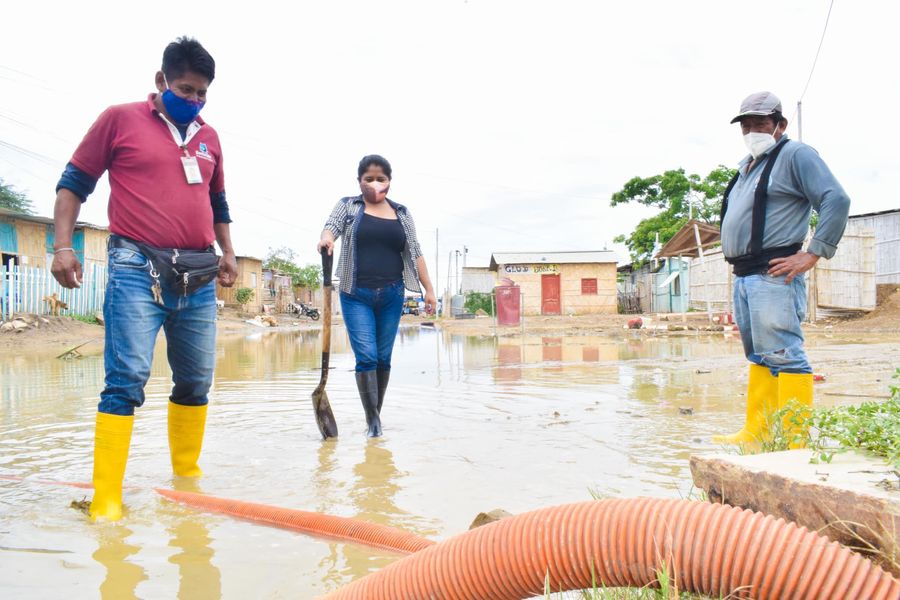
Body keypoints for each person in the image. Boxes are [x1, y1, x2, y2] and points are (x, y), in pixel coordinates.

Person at [51, 37, 237, 520]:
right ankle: (106, 501)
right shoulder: (119, 119)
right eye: (186, 89)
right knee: (126, 380)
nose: (194, 99)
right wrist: (63, 247)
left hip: (199, 273)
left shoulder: (210, 138)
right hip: (137, 268)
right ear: (161, 81)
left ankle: (186, 484)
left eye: (202, 93)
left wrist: (228, 253)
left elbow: (217, 203)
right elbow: (73, 184)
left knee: (196, 381)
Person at [713, 91, 850, 447]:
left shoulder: (795, 155)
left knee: (785, 355)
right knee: (759, 355)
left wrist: (813, 253)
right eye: (746, 125)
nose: (751, 130)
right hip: (745, 275)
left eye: (760, 123)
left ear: (780, 124)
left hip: (774, 274)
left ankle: (794, 442)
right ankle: (757, 434)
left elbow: (836, 199)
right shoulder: (749, 165)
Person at [317, 155, 437, 437]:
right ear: (359, 181)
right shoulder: (348, 205)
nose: (374, 184)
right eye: (368, 178)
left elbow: (415, 251)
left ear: (389, 181)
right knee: (367, 358)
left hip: (392, 295)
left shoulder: (402, 213)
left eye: (380, 178)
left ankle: (375, 419)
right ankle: (373, 423)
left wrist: (429, 290)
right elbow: (331, 226)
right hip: (356, 293)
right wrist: (327, 238)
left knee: (383, 359)